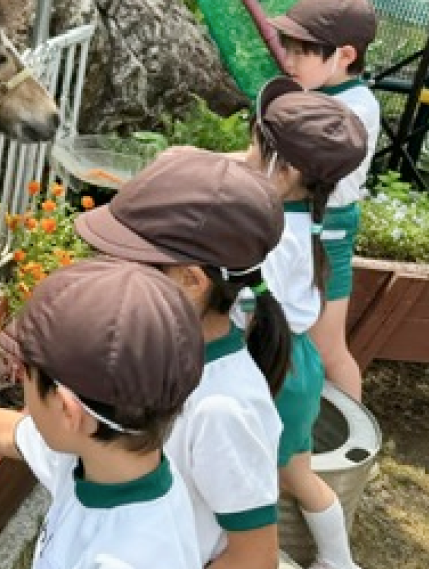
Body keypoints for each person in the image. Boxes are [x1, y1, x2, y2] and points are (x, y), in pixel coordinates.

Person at [0, 258, 206, 569]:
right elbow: (11, 432)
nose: (21, 380)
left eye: (25, 373)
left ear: (67, 410)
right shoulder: (105, 457)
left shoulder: (123, 558)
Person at [74, 148, 290, 569]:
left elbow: (254, 558)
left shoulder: (222, 407)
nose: (109, 272)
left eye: (128, 262)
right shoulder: (154, 352)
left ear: (191, 280)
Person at [240, 76, 369, 569]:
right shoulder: (303, 218)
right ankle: (338, 561)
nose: (246, 156)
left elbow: (250, 310)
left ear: (287, 171)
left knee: (259, 483)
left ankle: (266, 558)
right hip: (299, 365)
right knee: (298, 475)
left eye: (255, 147)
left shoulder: (274, 233)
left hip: (270, 369)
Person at [269, 0, 380, 402]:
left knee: (328, 350)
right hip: (303, 222)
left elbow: (284, 165)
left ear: (345, 55)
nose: (289, 61)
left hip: (327, 228)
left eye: (302, 52)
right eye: (288, 48)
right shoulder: (314, 92)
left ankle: (353, 431)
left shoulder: (353, 107)